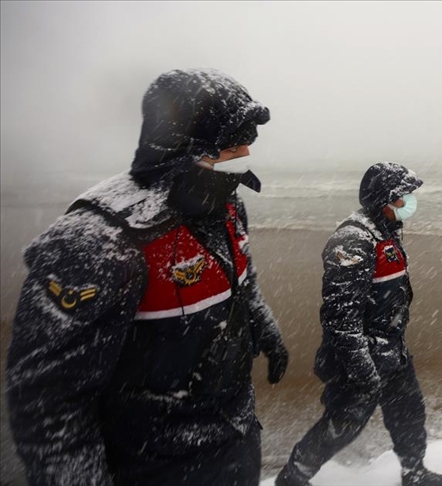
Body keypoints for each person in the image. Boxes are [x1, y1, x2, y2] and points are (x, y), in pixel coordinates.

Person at [5, 68, 289, 486]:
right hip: (153, 464)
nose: (245, 152)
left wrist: (263, 324)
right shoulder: (96, 241)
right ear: (180, 145)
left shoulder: (224, 203)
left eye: (247, 141)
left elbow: (239, 274)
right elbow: (49, 404)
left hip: (234, 438)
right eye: (231, 143)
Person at [276, 163, 442, 486]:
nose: (409, 203)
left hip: (393, 350)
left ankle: (414, 473)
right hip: (359, 357)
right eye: (402, 198)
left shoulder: (385, 231)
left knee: (409, 412)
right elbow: (340, 318)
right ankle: (293, 477)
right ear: (382, 200)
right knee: (343, 425)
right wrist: (363, 371)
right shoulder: (352, 241)